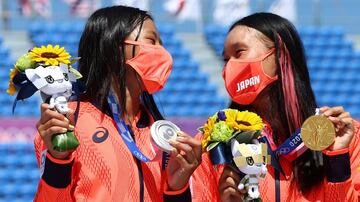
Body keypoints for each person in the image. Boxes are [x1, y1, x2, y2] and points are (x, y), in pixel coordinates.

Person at [34, 6, 220, 201]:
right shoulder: (68, 121)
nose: (162, 51)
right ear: (114, 47)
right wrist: (58, 161)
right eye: (152, 41)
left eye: (161, 43)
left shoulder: (160, 133)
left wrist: (177, 189)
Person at [218, 13, 360, 201]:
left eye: (239, 52)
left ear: (279, 56)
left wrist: (336, 161)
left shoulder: (343, 135)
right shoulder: (216, 144)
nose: (230, 67)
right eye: (226, 60)